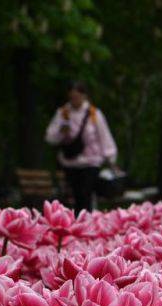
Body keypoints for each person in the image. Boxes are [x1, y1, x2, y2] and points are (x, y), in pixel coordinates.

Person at [44, 81, 118, 213]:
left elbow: (104, 136)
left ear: (84, 96)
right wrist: (61, 132)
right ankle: (77, 223)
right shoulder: (63, 113)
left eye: (77, 97)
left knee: (86, 194)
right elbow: (50, 137)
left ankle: (86, 221)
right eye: (72, 97)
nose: (74, 100)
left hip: (91, 162)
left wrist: (111, 158)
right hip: (70, 162)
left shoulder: (94, 114)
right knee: (75, 196)